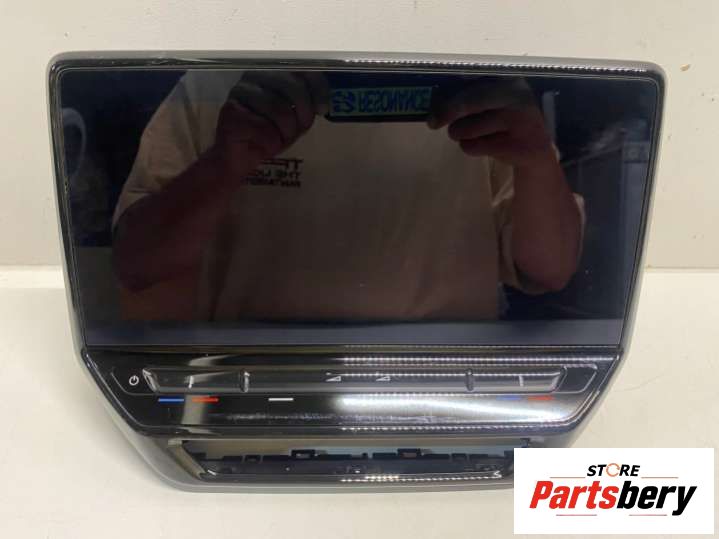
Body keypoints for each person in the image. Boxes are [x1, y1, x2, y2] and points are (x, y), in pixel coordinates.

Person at [112, 70, 583, 321]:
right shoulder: (220, 83)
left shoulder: (477, 84)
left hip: (442, 369)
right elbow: (137, 264)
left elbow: (550, 268)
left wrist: (536, 158)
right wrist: (225, 163)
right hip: (254, 370)